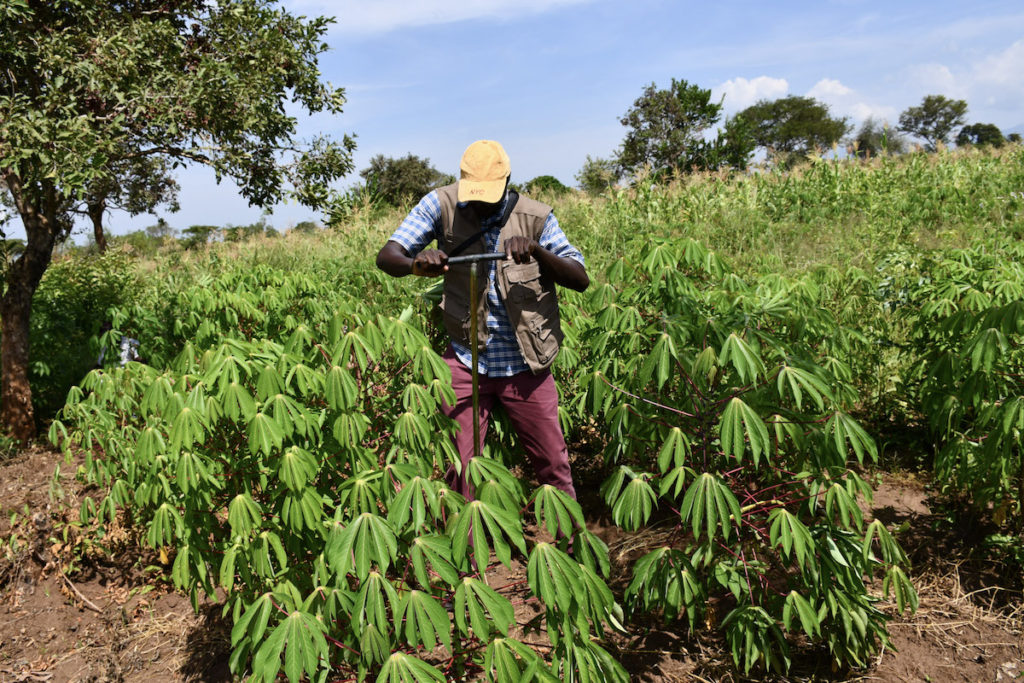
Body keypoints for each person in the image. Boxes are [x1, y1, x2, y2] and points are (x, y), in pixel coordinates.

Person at [376, 140, 589, 501]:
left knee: (553, 467)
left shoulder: (536, 217)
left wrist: (537, 251)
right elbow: (388, 255)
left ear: (507, 182)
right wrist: (416, 263)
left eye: (489, 194)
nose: (480, 202)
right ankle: (465, 553)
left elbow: (579, 277)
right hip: (464, 359)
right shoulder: (440, 203)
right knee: (458, 470)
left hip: (525, 364)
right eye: (473, 193)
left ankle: (569, 552)